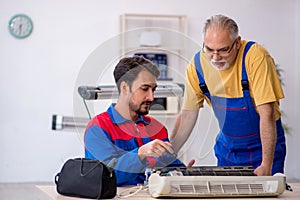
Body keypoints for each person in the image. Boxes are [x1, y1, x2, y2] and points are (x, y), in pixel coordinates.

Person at [171, 14, 286, 176]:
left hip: (264, 150)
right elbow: (188, 114)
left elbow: (267, 113)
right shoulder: (197, 66)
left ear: (237, 42)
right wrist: (168, 157)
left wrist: (267, 164)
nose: (216, 57)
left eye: (223, 50)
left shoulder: (255, 57)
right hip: (228, 151)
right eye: (209, 50)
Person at [84, 56, 189, 186]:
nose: (151, 97)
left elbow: (169, 166)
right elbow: (105, 176)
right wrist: (140, 153)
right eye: (144, 89)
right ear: (124, 88)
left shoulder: (158, 128)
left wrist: (184, 174)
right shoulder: (98, 128)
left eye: (153, 89)